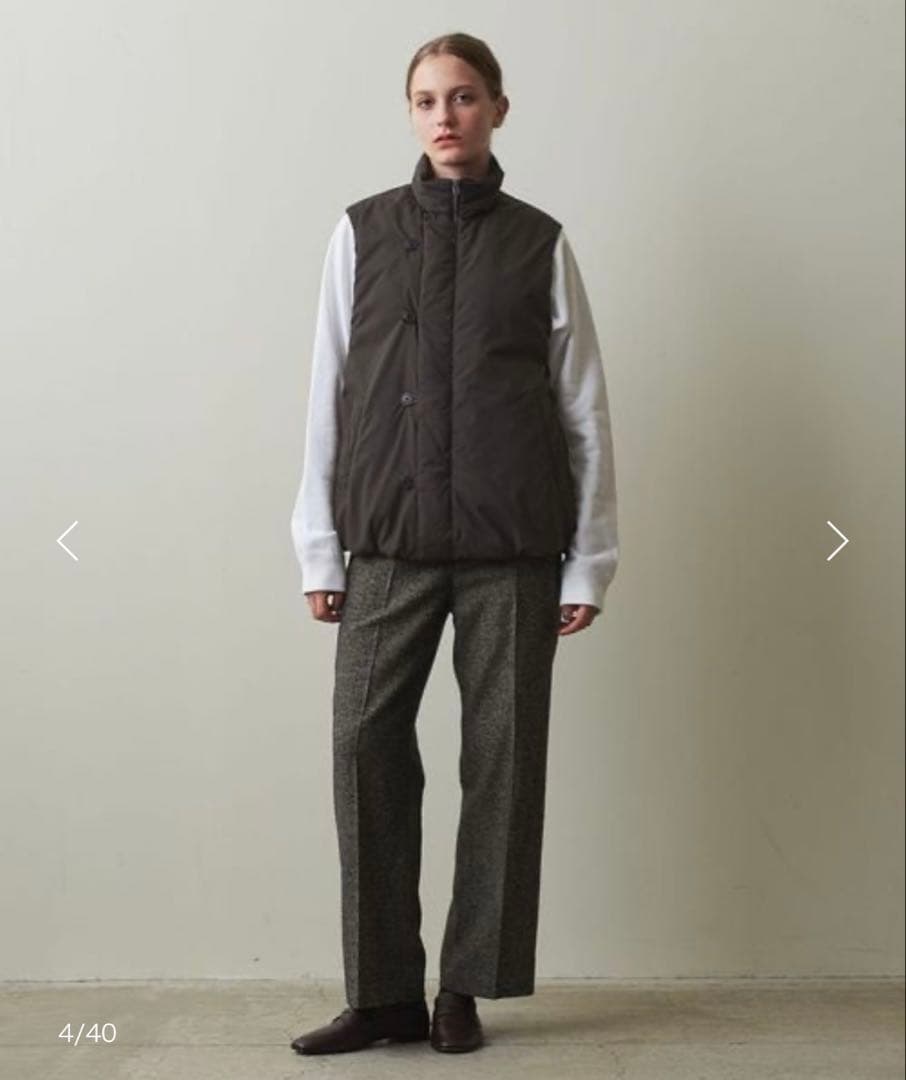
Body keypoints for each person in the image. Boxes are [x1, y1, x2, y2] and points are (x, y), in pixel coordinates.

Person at [288, 31, 618, 1056]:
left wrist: (590, 558)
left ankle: (465, 986)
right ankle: (384, 991)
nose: (446, 115)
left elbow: (583, 410)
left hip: (512, 548)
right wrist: (317, 545)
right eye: (428, 99)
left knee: (504, 763)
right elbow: (328, 391)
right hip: (386, 542)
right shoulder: (360, 234)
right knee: (362, 748)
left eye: (465, 96)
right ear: (410, 113)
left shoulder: (539, 243)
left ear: (498, 110)